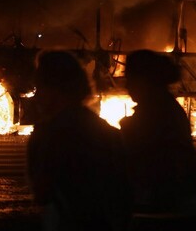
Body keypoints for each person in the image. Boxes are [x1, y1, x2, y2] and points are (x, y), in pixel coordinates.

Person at [26, 50, 132, 231]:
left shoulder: (52, 134)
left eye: (40, 87)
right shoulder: (105, 131)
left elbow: (42, 193)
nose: (37, 97)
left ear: (56, 89)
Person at [119, 49, 196, 215]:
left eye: (131, 79)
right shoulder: (164, 107)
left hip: (163, 204)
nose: (127, 85)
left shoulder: (156, 112)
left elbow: (147, 160)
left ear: (146, 80)